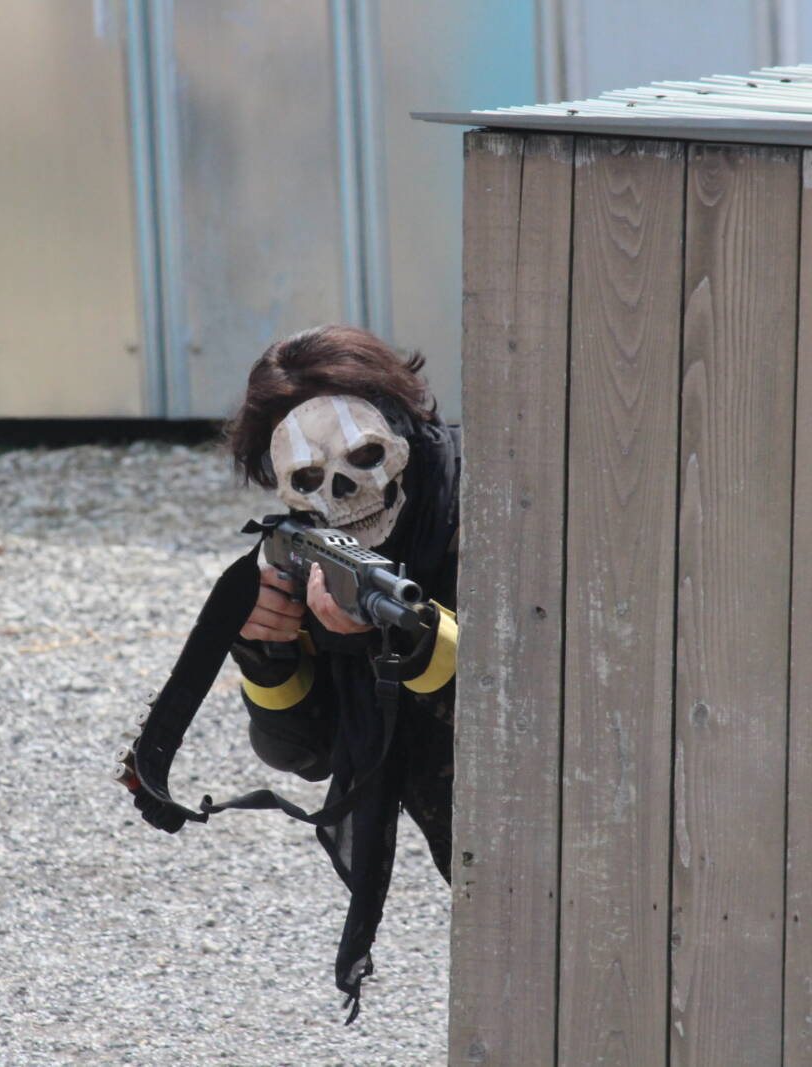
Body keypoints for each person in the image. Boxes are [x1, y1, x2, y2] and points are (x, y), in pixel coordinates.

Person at [221, 324, 459, 1016]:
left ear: (403, 429)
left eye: (364, 457)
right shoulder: (322, 549)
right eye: (309, 479)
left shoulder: (491, 508)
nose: (345, 491)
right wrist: (267, 651)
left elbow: (522, 697)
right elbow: (305, 751)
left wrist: (405, 637)